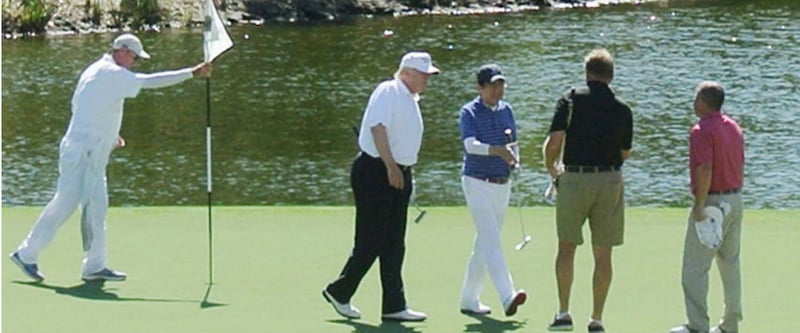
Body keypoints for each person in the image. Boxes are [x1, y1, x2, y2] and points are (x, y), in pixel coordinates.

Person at [9, 33, 213, 282]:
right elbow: (149, 82)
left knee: (71, 204)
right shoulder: (111, 73)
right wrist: (191, 72)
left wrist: (111, 135)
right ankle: (86, 264)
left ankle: (32, 254)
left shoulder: (96, 70)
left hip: (84, 148)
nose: (135, 63)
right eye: (135, 57)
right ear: (123, 51)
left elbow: (82, 105)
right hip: (86, 151)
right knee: (91, 205)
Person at [322, 51, 439, 322]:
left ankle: (394, 305)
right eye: (423, 75)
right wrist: (390, 166)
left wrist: (404, 171)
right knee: (372, 238)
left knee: (394, 243)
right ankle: (340, 291)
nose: (426, 80)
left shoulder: (410, 97)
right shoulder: (389, 90)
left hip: (398, 173)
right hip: (376, 172)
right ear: (407, 72)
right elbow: (377, 128)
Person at [542, 48, 633, 333]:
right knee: (603, 253)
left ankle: (563, 312)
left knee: (566, 247)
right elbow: (625, 152)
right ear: (611, 75)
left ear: (587, 73)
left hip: (575, 179)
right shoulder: (622, 108)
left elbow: (555, 141)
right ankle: (596, 318)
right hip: (609, 181)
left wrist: (552, 170)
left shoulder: (570, 100)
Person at [670, 81, 744, 333]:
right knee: (730, 263)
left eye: (696, 97)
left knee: (695, 267)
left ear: (703, 101)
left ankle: (697, 325)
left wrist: (699, 205)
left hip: (712, 203)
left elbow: (704, 168)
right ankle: (730, 324)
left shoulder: (702, 130)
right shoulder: (733, 127)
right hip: (735, 199)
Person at [457, 64, 527, 317]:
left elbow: (512, 143)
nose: (498, 90)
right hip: (476, 181)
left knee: (485, 243)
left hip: (501, 183)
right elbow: (470, 145)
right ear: (480, 88)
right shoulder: (470, 112)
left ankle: (469, 298)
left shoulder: (507, 110)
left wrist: (514, 160)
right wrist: (496, 150)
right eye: (492, 85)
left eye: (501, 85)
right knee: (492, 241)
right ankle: (507, 295)